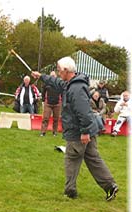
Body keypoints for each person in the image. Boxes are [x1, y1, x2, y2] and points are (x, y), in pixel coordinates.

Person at [31, 56, 118, 201]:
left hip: (78, 132)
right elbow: (57, 83)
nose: (58, 73)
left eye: (59, 70)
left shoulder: (76, 89)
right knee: (93, 159)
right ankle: (110, 186)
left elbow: (83, 112)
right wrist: (41, 77)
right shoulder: (72, 83)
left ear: (66, 70)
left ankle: (70, 191)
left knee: (71, 160)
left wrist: (84, 132)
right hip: (84, 130)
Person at [40, 71, 61, 136]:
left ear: (56, 76)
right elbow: (43, 92)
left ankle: (55, 132)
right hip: (48, 103)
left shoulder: (59, 83)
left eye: (53, 76)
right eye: (51, 76)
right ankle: (43, 132)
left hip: (57, 103)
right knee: (45, 118)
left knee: (56, 118)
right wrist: (43, 100)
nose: (52, 77)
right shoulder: (46, 83)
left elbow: (63, 92)